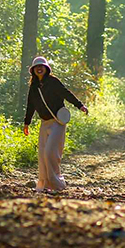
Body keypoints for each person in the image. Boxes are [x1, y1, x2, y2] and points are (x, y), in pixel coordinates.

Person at [22, 56, 88, 191]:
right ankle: (45, 184)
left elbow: (66, 94)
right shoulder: (34, 87)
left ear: (46, 69)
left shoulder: (53, 82)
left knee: (50, 153)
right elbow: (30, 105)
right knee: (42, 155)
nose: (39, 69)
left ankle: (57, 184)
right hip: (44, 123)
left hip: (57, 122)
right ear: (33, 70)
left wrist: (80, 105)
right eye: (37, 67)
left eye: (42, 66)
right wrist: (26, 123)